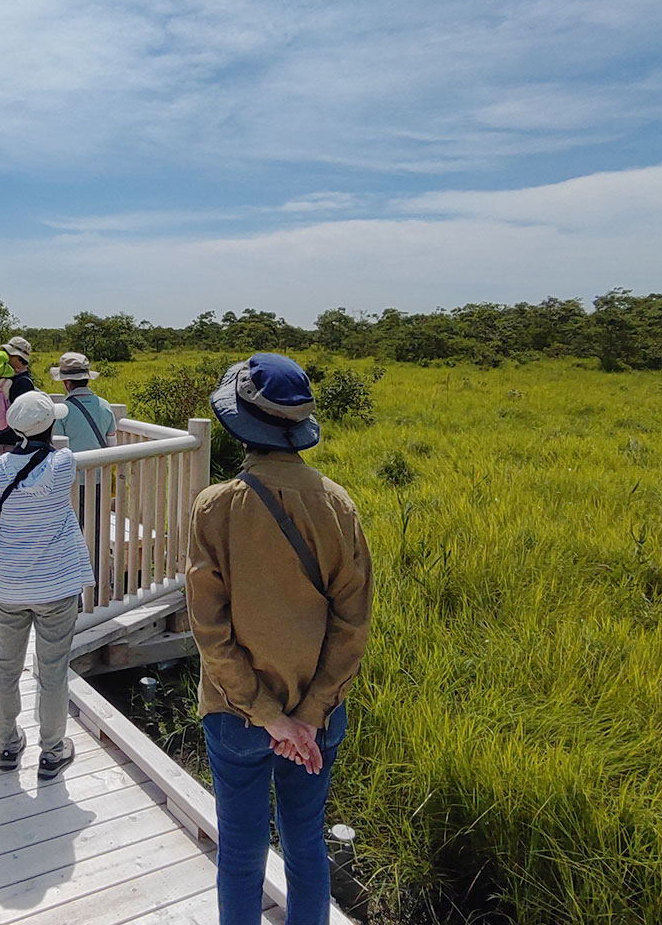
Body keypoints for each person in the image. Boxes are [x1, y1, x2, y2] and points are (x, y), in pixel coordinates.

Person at [187, 353, 373, 925]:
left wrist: (268, 716)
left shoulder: (216, 508)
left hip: (237, 717)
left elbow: (210, 633)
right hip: (318, 722)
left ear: (241, 423)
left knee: (240, 854)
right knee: (306, 844)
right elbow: (352, 627)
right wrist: (308, 715)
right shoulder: (338, 505)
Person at [0, 390, 93, 780]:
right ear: (50, 425)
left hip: (8, 584)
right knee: (53, 669)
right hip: (56, 584)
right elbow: (60, 453)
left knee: (5, 665)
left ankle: (8, 744)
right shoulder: (61, 464)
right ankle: (52, 750)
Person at [49, 351, 116, 451]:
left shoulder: (61, 410)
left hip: (74, 465)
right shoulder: (105, 405)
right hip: (100, 464)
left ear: (66, 383)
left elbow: (58, 445)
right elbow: (112, 443)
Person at [0, 336, 37, 450]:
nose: (6, 357)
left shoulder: (23, 383)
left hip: (12, 443)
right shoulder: (12, 379)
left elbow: (18, 417)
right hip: (4, 441)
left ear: (19, 358)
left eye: (9, 354)